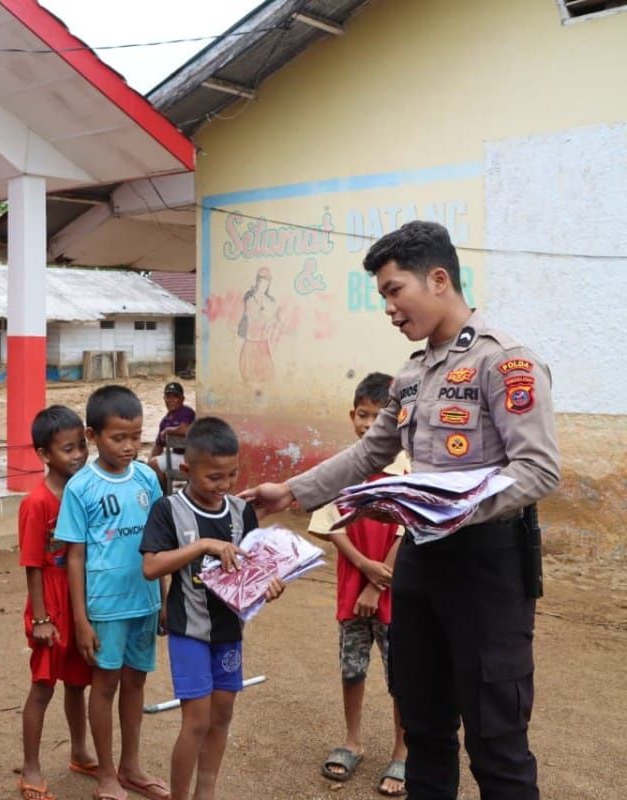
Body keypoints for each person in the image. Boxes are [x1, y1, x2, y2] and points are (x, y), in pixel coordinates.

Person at [243, 221, 560, 800]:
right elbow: (371, 450)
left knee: (497, 742)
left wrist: (446, 508)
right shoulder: (411, 374)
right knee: (425, 729)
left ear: (439, 279)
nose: (388, 308)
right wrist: (290, 492)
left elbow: (537, 470)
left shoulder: (505, 361)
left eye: (394, 291)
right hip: (419, 568)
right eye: (384, 295)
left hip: (487, 569)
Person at [140, 417, 284, 800]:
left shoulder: (240, 511)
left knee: (221, 715)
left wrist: (269, 584)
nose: (224, 485)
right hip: (190, 631)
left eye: (232, 475)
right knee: (196, 722)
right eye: (214, 478)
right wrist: (203, 545)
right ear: (188, 469)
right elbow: (151, 566)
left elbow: (254, 566)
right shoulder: (168, 509)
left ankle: (207, 793)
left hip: (229, 632)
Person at [56, 385, 171, 800]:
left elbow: (159, 542)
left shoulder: (146, 478)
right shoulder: (81, 488)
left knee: (136, 683)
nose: (128, 447)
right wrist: (81, 620)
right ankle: (106, 774)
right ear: (92, 436)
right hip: (105, 605)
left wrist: (164, 596)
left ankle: (131, 767)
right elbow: (74, 557)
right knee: (104, 685)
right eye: (117, 438)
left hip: (145, 600)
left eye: (136, 437)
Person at [305, 372, 409, 796]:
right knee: (353, 669)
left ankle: (403, 753)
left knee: (401, 676)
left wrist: (377, 582)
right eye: (362, 415)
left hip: (394, 595)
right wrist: (365, 567)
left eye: (378, 416)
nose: (368, 425)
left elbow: (408, 531)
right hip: (353, 589)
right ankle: (353, 741)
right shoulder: (345, 467)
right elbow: (330, 526)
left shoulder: (406, 469)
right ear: (353, 416)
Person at [17, 405, 96, 800]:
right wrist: (41, 618)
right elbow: (32, 565)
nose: (79, 454)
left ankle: (80, 752)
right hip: (50, 601)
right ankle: (30, 767)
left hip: (79, 598)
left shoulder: (84, 493)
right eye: (68, 448)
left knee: (78, 684)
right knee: (43, 687)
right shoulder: (37, 503)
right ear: (45, 454)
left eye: (82, 445)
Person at [147, 382, 196, 488]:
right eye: (168, 396)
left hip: (191, 458)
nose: (171, 400)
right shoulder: (164, 421)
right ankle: (164, 494)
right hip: (177, 457)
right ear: (164, 398)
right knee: (151, 465)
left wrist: (169, 430)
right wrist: (148, 466)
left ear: (182, 399)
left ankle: (163, 495)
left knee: (154, 464)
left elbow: (186, 430)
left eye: (175, 396)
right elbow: (158, 446)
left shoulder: (186, 412)